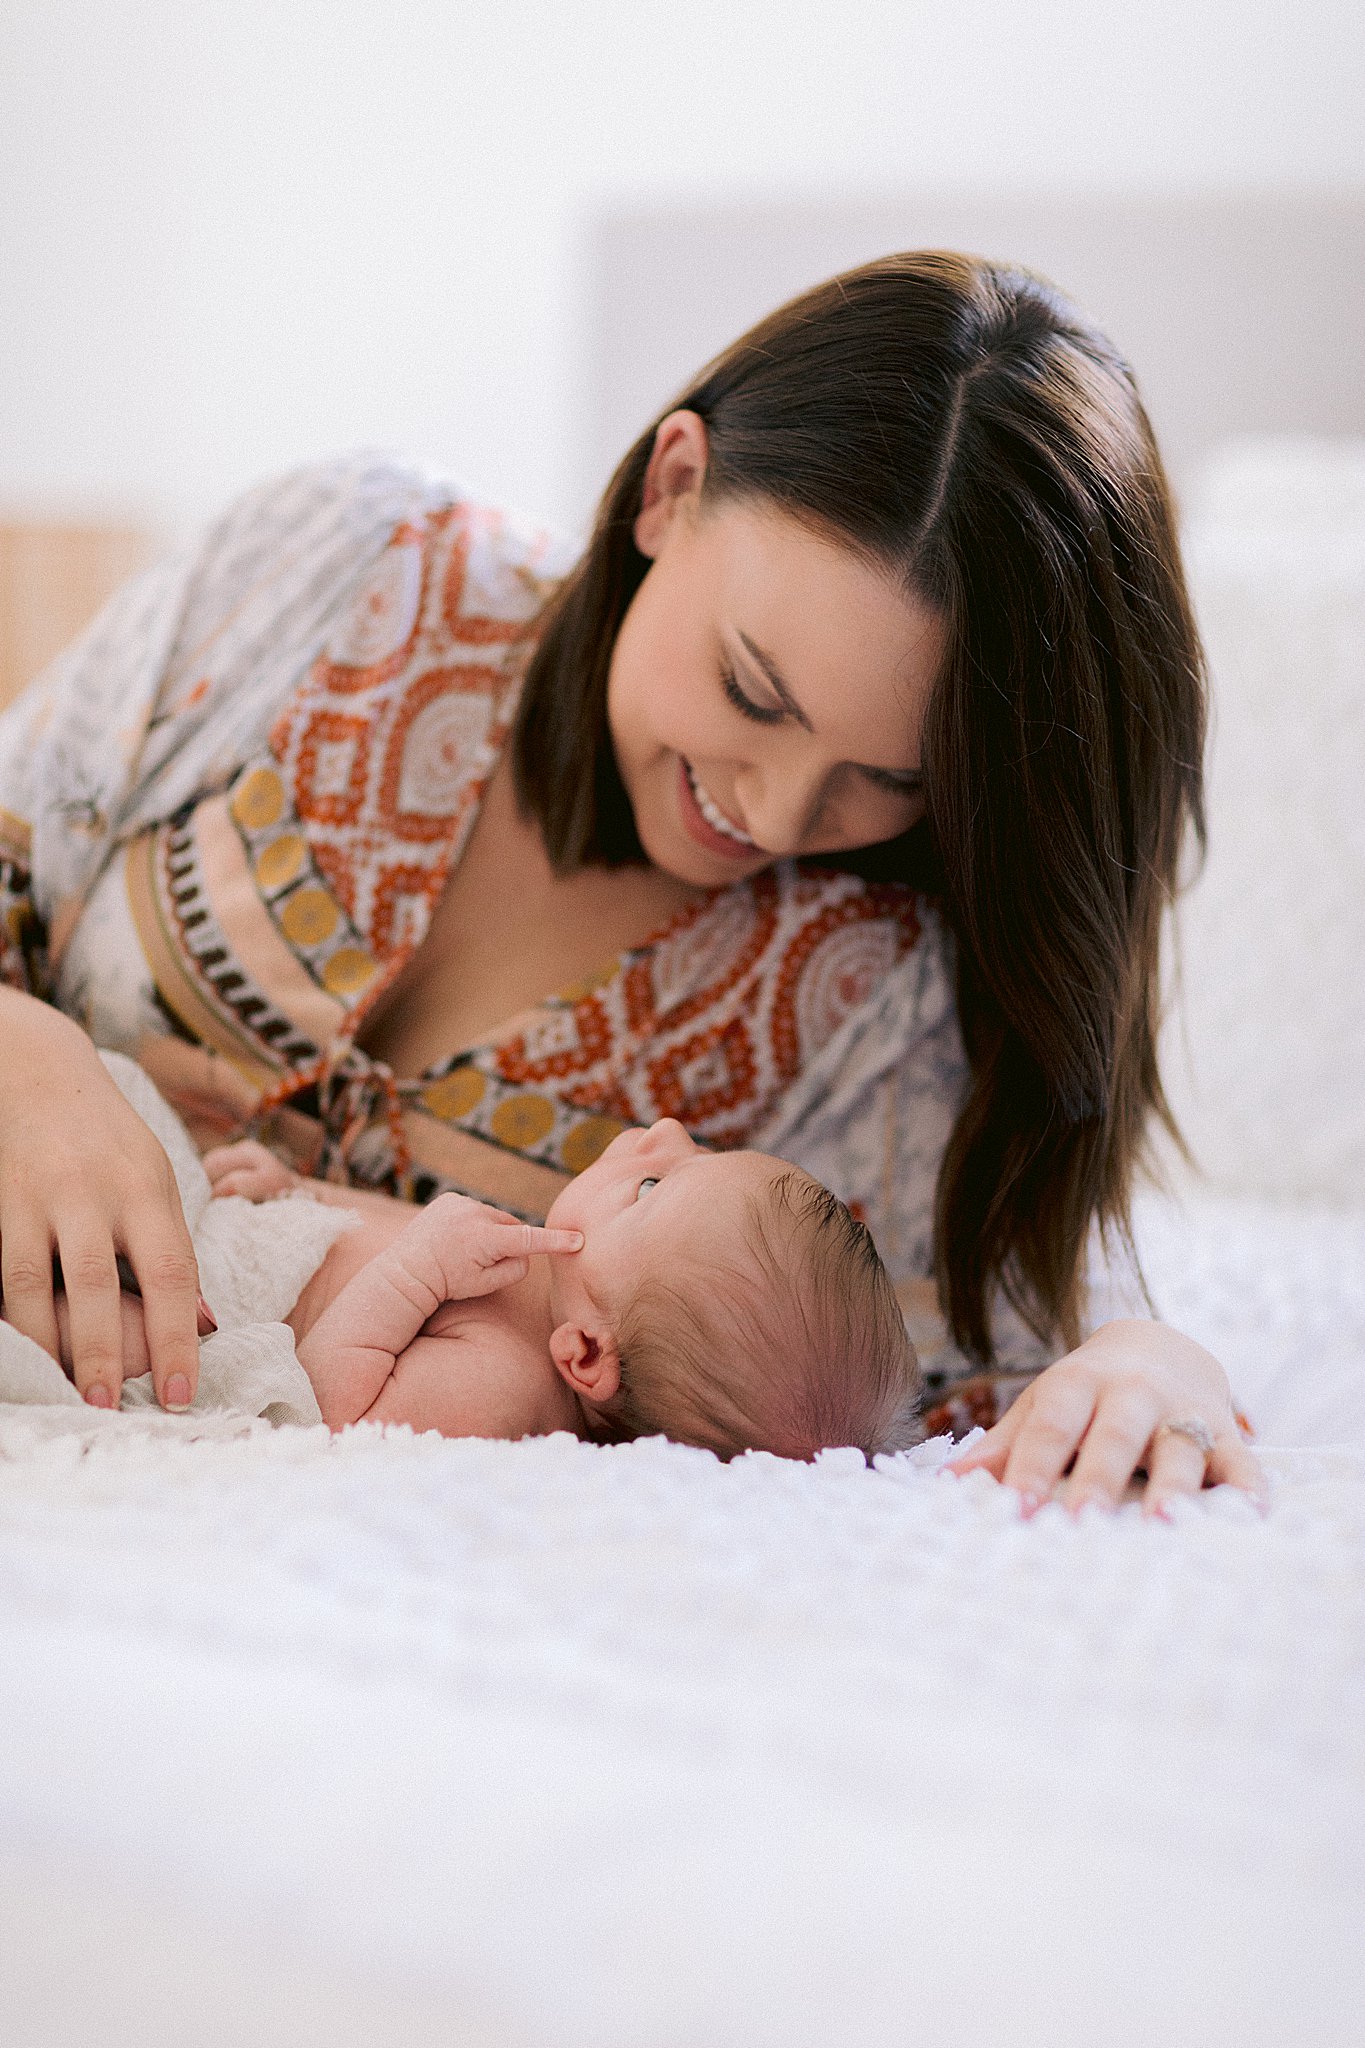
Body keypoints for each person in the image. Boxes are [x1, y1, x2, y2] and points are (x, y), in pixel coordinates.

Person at [0, 250, 1263, 1512]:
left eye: (888, 778)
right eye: (752, 691)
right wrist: (26, 1045)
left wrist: (1165, 1363)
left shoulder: (878, 1003)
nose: (772, 812)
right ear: (670, 490)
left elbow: (1028, 1340)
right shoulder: (348, 559)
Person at [34, 1086, 920, 1459]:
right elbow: (381, 1228)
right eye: (702, 1151)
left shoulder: (501, 1388)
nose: (664, 1135)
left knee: (81, 1334)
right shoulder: (550, 1276)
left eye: (653, 1186)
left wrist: (417, 1273)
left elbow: (330, 1414)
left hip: (211, 1312)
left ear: (585, 1357)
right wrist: (296, 1185)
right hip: (228, 1231)